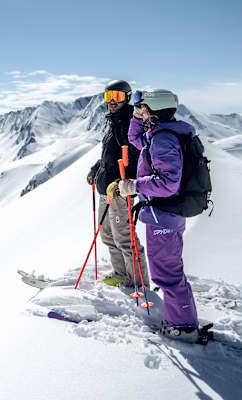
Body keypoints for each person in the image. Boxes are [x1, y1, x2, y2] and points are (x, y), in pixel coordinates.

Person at [118, 89, 201, 342]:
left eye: (144, 109)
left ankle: (183, 326)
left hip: (163, 214)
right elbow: (134, 138)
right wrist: (134, 114)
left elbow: (168, 183)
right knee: (169, 269)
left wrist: (135, 186)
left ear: (154, 111)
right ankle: (184, 319)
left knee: (167, 273)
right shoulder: (160, 134)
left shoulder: (163, 139)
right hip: (165, 214)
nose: (141, 113)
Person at [86, 80, 148, 289]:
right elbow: (109, 154)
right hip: (105, 188)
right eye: (108, 96)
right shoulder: (113, 121)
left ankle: (139, 284)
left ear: (127, 98)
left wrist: (120, 182)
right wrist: (97, 169)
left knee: (125, 239)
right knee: (108, 236)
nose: (112, 101)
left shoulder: (130, 123)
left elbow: (138, 158)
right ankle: (121, 274)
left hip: (120, 191)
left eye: (118, 97)